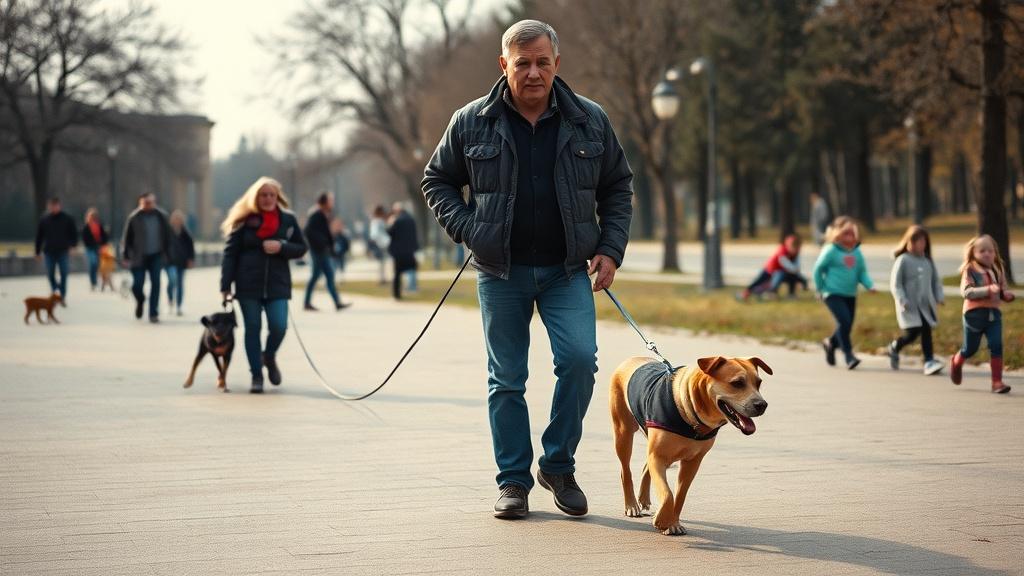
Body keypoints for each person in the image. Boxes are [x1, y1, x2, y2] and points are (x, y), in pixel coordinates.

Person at [422, 20, 633, 519]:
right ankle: (513, 481)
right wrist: (471, 229)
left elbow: (618, 187)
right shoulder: (470, 121)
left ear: (557, 63)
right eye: (523, 62)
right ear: (504, 65)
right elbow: (437, 181)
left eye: (542, 61)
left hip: (567, 271)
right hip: (500, 272)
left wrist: (611, 248)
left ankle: (558, 464)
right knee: (507, 379)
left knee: (581, 361)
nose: (533, 72)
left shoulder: (590, 120)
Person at [220, 177, 308, 394]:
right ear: (255, 197)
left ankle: (268, 356)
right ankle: (256, 375)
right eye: (263, 195)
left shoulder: (288, 220)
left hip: (278, 283)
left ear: (277, 197)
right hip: (248, 284)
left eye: (272, 195)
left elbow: (301, 248)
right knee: (252, 329)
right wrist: (225, 286)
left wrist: (282, 246)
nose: (268, 199)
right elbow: (230, 254)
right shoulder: (243, 221)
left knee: (279, 326)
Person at [950, 234, 1015, 394]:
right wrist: (986, 290)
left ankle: (997, 383)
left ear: (995, 253)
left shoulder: (997, 268)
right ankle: (956, 362)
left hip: (994, 315)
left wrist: (1006, 295)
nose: (987, 254)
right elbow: (966, 292)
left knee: (996, 345)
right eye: (982, 251)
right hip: (974, 315)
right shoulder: (970, 270)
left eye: (990, 251)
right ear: (973, 253)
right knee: (970, 349)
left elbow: (1002, 288)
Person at [813, 216, 875, 370]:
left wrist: (869, 285)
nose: (850, 237)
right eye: (846, 233)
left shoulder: (857, 253)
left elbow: (862, 273)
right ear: (837, 234)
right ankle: (849, 356)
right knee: (844, 322)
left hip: (850, 295)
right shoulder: (831, 250)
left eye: (852, 233)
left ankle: (830, 343)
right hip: (832, 293)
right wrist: (820, 288)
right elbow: (818, 269)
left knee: (846, 326)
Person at [887, 225, 945, 375]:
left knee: (926, 330)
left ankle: (929, 361)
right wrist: (902, 299)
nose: (919, 244)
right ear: (907, 242)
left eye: (922, 241)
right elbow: (896, 284)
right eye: (915, 241)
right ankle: (895, 346)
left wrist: (939, 297)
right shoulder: (903, 260)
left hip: (925, 306)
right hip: (909, 305)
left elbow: (935, 282)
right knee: (912, 333)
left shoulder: (928, 262)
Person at [121, 193, 172, 322]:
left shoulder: (162, 217)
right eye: (144, 203)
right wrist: (126, 256)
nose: (147, 205)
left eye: (150, 202)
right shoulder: (134, 217)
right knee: (137, 285)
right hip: (138, 257)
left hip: (157, 256)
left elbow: (169, 237)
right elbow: (127, 238)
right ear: (140, 203)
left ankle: (153, 313)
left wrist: (169, 254)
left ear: (154, 202)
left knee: (156, 284)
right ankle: (140, 300)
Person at [303, 192, 349, 311]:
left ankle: (309, 302)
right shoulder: (316, 214)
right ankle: (336, 302)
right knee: (326, 275)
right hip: (319, 251)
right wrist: (322, 242)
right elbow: (308, 231)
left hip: (322, 250)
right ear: (324, 202)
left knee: (320, 276)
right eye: (330, 200)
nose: (332, 203)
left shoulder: (323, 214)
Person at [737, 234, 808, 301]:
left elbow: (797, 265)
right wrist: (795, 269)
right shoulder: (782, 250)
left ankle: (790, 294)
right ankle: (748, 292)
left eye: (797, 248)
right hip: (770, 269)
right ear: (788, 246)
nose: (795, 251)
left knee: (793, 276)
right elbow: (786, 264)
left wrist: (799, 276)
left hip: (783, 272)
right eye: (793, 248)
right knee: (759, 281)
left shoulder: (796, 252)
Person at [34, 197, 78, 304]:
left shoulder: (67, 218)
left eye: (55, 205)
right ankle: (55, 290)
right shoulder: (44, 219)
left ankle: (61, 296)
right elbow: (39, 236)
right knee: (50, 273)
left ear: (59, 205)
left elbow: (74, 234)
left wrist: (73, 246)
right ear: (49, 206)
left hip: (63, 251)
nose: (53, 208)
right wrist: (37, 252)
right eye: (51, 206)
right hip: (49, 251)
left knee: (64, 273)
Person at [387, 202, 419, 300]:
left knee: (397, 273)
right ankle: (412, 287)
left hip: (399, 251)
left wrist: (390, 223)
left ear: (397, 211)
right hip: (409, 249)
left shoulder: (396, 220)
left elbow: (390, 232)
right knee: (412, 268)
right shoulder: (411, 219)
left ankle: (397, 294)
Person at [165, 210, 195, 317]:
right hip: (169, 262)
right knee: (172, 281)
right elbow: (163, 246)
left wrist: (190, 259)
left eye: (180, 219)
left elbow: (190, 247)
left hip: (181, 262)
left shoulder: (185, 232)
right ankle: (170, 300)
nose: (177, 221)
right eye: (176, 219)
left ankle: (179, 306)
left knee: (180, 284)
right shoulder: (167, 232)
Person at [81, 207, 109, 291]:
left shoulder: (99, 225)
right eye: (91, 216)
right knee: (93, 263)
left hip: (99, 248)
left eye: (94, 216)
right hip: (90, 248)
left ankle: (96, 281)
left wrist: (103, 245)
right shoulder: (86, 227)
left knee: (98, 265)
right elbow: (85, 239)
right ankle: (93, 282)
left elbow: (104, 236)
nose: (92, 218)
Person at [368, 205, 390, 285]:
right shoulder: (377, 221)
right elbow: (375, 234)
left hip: (382, 243)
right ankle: (382, 278)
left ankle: (383, 278)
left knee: (382, 262)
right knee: (381, 263)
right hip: (380, 244)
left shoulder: (378, 221)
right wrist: (384, 241)